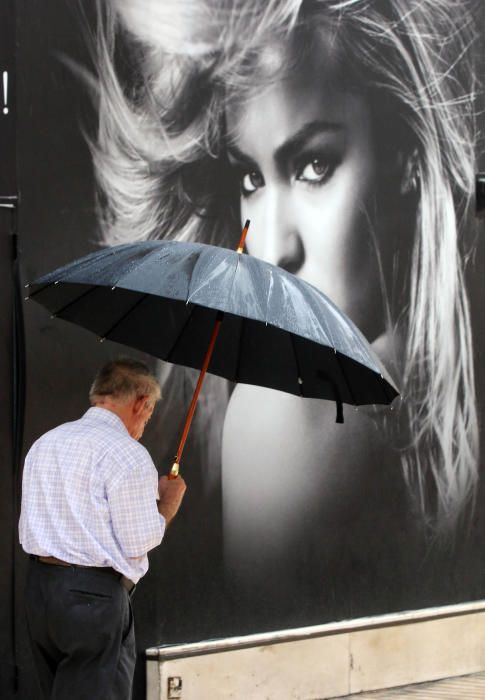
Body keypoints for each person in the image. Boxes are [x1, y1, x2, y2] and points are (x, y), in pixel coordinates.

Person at [90, 0, 481, 626]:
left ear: (406, 154)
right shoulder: (435, 409)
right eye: (250, 177)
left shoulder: (287, 413)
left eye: (314, 165)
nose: (272, 247)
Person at [19, 358, 187, 700]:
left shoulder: (46, 442)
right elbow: (138, 540)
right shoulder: (128, 454)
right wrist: (168, 502)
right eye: (150, 412)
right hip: (93, 598)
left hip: (40, 591)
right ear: (141, 403)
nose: (146, 423)